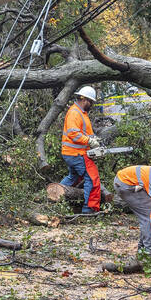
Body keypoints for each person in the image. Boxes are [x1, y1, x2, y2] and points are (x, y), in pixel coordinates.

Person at [59, 85, 102, 214]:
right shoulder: (74, 113)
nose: (92, 105)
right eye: (91, 102)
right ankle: (88, 208)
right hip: (75, 153)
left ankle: (56, 197)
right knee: (91, 178)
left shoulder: (82, 113)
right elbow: (74, 134)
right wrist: (89, 141)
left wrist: (95, 139)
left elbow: (86, 133)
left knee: (73, 177)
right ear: (85, 100)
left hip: (74, 153)